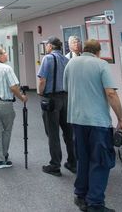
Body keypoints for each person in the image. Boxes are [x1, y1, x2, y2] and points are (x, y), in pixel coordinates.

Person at [63, 39, 122, 212]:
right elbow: (111, 93)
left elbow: (67, 88)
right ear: (98, 52)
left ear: (84, 50)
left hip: (76, 120)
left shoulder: (71, 64)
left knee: (82, 158)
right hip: (97, 122)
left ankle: (81, 195)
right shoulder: (101, 65)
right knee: (100, 161)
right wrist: (121, 120)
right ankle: (95, 203)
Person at [37, 36, 76, 176]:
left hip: (52, 99)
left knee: (53, 133)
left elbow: (42, 79)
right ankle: (73, 162)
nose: (46, 47)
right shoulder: (67, 59)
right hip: (66, 98)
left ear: (50, 46)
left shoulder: (48, 59)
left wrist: (40, 93)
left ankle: (55, 165)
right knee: (69, 132)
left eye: (47, 45)